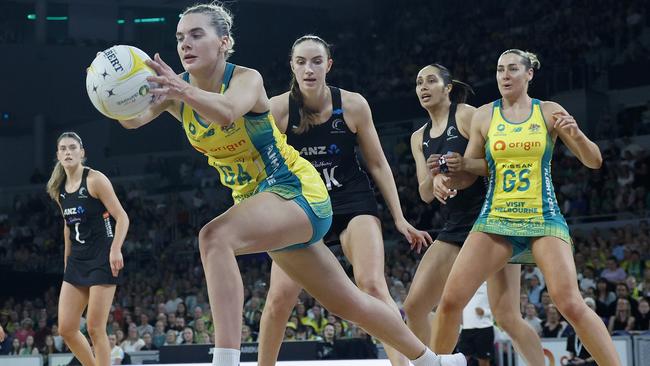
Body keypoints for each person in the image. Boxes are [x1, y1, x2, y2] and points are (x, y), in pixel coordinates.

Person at [117, 3, 463, 366]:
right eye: (180, 38)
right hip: (262, 204)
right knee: (348, 302)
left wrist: (178, 90)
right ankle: (432, 362)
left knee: (213, 237)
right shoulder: (179, 91)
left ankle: (225, 360)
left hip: (295, 191)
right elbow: (134, 120)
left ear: (224, 42)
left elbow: (225, 112)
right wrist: (113, 93)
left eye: (196, 34)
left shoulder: (245, 79)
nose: (185, 44)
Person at [429, 49, 620, 365]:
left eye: (512, 69)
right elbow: (473, 169)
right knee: (450, 302)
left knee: (570, 303)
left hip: (542, 216)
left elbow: (594, 160)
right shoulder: (485, 116)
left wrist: (576, 134)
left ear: (529, 74)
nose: (504, 75)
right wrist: (447, 174)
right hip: (495, 219)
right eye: (500, 69)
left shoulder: (548, 111)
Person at [258, 34, 431, 366]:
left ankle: (407, 363)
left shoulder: (353, 104)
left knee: (372, 285)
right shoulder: (278, 109)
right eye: (301, 62)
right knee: (279, 298)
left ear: (329, 65)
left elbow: (378, 163)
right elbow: (262, 169)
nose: (309, 69)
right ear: (292, 66)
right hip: (303, 208)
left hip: (352, 202)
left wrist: (399, 217)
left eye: (317, 61)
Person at [404, 63, 544, 365]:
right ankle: (434, 360)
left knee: (506, 316)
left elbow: (501, 162)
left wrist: (462, 167)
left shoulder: (467, 115)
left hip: (494, 217)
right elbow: (425, 193)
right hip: (455, 225)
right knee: (414, 307)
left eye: (431, 81)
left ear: (448, 87)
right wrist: (436, 178)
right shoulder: (419, 137)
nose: (423, 88)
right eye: (418, 83)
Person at [45, 132, 128, 366]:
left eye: (73, 147)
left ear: (82, 152)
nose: (68, 152)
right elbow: (67, 228)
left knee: (94, 327)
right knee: (66, 328)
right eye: (63, 148)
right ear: (58, 155)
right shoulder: (59, 188)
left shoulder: (95, 179)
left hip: (102, 257)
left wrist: (116, 249)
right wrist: (66, 264)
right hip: (77, 261)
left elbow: (122, 217)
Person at [458, 283, 493, 366]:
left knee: (483, 361)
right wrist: (460, 327)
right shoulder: (463, 285)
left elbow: (499, 309)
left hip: (484, 328)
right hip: (466, 329)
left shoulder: (489, 284)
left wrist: (485, 312)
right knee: (461, 360)